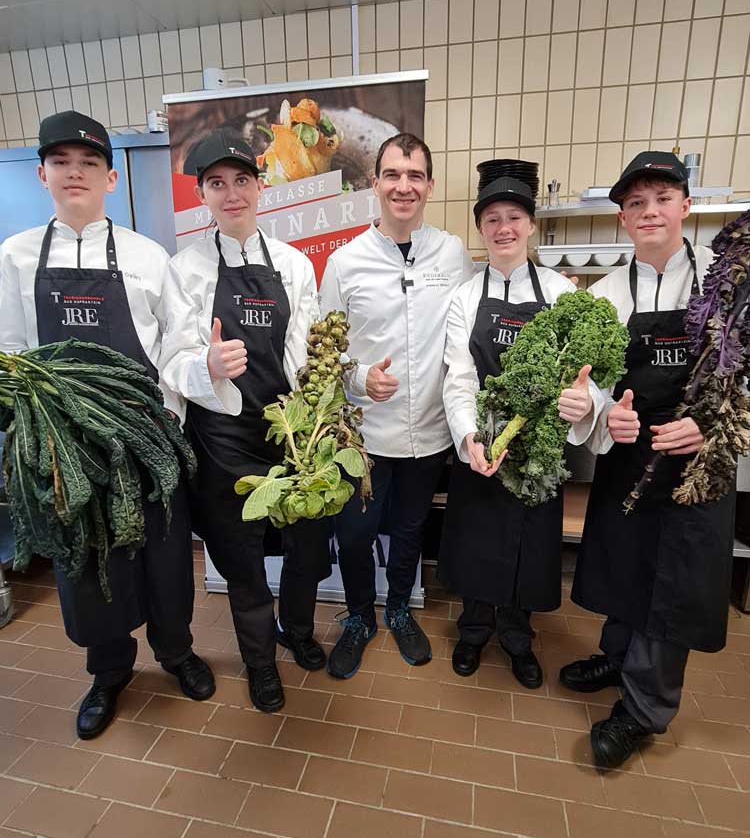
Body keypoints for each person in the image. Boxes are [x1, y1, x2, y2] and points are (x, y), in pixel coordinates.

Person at [0, 111, 214, 739]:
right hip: (70, 448)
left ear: (111, 178)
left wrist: (178, 402)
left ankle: (176, 652)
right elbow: (11, 357)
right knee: (90, 567)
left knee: (167, 559)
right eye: (62, 162)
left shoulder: (149, 258)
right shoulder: (13, 259)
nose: (75, 173)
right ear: (42, 174)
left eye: (89, 163)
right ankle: (109, 670)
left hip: (149, 444)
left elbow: (175, 349)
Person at [559, 151, 735, 768]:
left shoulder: (726, 288)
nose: (650, 211)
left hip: (696, 469)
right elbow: (591, 386)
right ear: (624, 220)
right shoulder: (605, 295)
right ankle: (618, 653)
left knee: (673, 582)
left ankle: (643, 709)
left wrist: (709, 426)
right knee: (625, 562)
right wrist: (606, 413)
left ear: (686, 207)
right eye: (636, 203)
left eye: (662, 198)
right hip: (630, 462)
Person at [159, 130, 330, 713]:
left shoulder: (291, 264)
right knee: (242, 559)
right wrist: (205, 364)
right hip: (225, 439)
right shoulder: (184, 270)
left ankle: (299, 633)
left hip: (291, 434)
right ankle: (261, 664)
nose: (231, 194)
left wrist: (330, 402)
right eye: (215, 184)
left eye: (241, 181)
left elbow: (308, 351)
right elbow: (172, 361)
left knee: (305, 545)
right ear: (202, 194)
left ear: (259, 187)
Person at [319, 133, 475, 678]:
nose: (402, 186)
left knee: (411, 528)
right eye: (392, 175)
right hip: (362, 433)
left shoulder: (451, 253)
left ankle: (400, 608)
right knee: (356, 532)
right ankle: (360, 615)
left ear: (429, 186)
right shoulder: (344, 262)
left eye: (414, 176)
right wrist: (359, 378)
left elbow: (462, 334)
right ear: (374, 183)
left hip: (428, 431)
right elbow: (325, 352)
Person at [440, 174, 603, 688]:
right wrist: (469, 437)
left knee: (527, 545)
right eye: (492, 219)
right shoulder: (465, 297)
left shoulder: (558, 292)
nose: (503, 228)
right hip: (484, 443)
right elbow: (459, 374)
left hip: (540, 451)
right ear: (480, 230)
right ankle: (472, 630)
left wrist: (583, 401)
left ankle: (515, 636)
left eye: (514, 217)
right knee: (477, 539)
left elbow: (585, 376)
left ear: (531, 224)